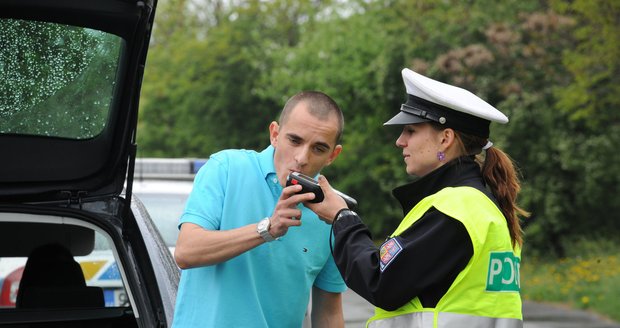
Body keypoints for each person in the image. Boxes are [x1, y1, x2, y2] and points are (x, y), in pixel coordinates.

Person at [306, 68, 528, 328]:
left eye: (410, 130)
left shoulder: (456, 209)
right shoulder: (482, 206)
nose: (400, 141)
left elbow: (381, 282)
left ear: (446, 138)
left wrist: (342, 218)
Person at [172, 91, 347, 328]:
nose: (301, 157)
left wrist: (342, 219)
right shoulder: (225, 168)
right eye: (294, 140)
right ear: (275, 134)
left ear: (332, 156)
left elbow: (329, 314)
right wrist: (267, 229)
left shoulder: (333, 214)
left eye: (318, 148)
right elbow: (186, 252)